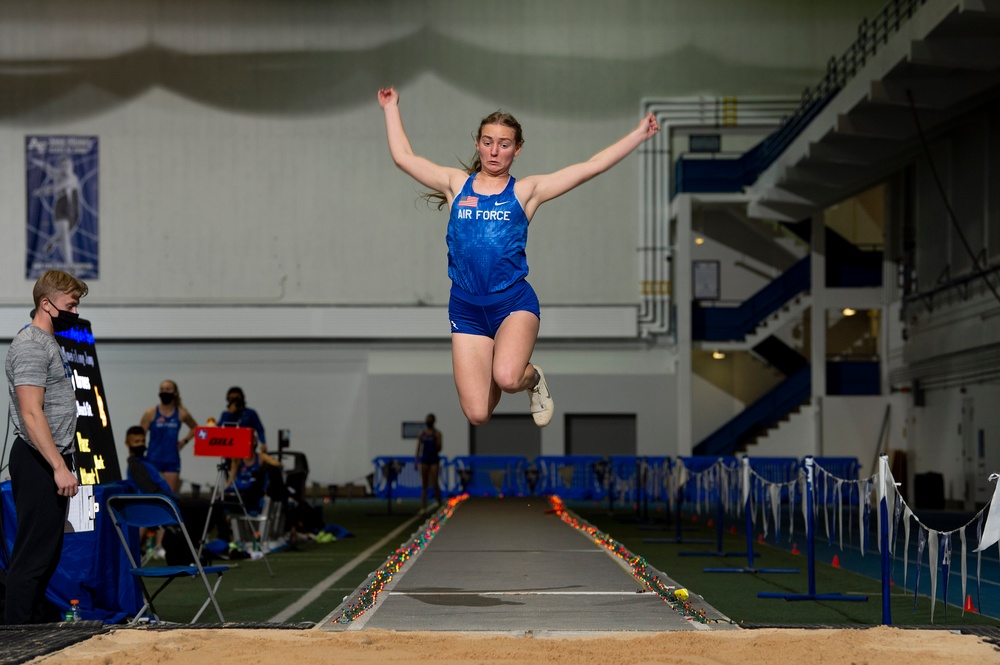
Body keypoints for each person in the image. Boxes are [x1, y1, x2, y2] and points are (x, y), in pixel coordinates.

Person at [377, 87, 659, 427]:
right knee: (478, 414)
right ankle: (498, 363)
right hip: (466, 309)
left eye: (504, 144)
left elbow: (591, 167)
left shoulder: (526, 191)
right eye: (487, 141)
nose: (494, 151)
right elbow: (404, 158)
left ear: (517, 149)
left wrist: (639, 135)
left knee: (509, 378)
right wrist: (391, 107)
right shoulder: (456, 185)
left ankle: (533, 379)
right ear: (478, 143)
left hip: (512, 303)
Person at [4, 269, 87, 624]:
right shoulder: (31, 346)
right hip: (38, 460)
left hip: (49, 458)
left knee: (47, 554)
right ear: (46, 303)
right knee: (33, 556)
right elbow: (31, 412)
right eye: (70, 304)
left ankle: (33, 621)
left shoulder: (50, 343)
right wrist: (57, 466)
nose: (76, 312)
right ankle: (15, 636)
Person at [139, 380, 198, 494]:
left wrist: (184, 441)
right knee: (150, 493)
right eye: (162, 389)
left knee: (169, 496)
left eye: (167, 389)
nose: (164, 392)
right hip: (153, 458)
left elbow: (195, 428)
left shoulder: (181, 413)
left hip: (171, 459)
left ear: (175, 392)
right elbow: (140, 435)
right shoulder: (150, 413)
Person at [414, 414, 443, 511]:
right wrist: (416, 460)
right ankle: (423, 506)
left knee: (434, 483)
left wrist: (436, 440)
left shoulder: (437, 434)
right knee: (424, 485)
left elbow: (439, 448)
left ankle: (439, 503)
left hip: (434, 460)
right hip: (425, 460)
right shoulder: (422, 434)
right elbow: (418, 448)